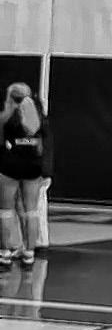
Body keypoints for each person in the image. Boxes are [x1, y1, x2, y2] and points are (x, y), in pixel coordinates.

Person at [0, 83, 50, 269]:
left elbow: (4, 142)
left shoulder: (5, 117)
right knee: (31, 211)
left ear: (10, 97)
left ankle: (4, 254)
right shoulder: (38, 117)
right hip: (32, 167)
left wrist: (13, 144)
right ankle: (29, 254)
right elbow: (40, 141)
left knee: (5, 211)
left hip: (10, 167)